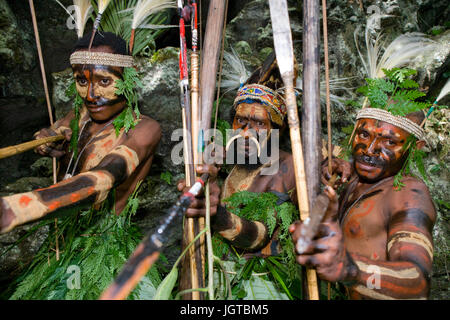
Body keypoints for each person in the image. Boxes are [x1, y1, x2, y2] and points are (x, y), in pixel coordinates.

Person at [0, 32, 163, 300]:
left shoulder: (144, 129)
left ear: (128, 81)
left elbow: (104, 178)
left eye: (104, 81)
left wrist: (15, 210)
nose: (91, 94)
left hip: (102, 251)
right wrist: (45, 140)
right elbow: (53, 133)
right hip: (59, 243)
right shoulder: (81, 115)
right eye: (81, 80)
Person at [290, 82, 437, 299]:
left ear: (414, 148)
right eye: (364, 135)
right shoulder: (352, 177)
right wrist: (322, 173)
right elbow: (295, 200)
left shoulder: (408, 195)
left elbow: (417, 282)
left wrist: (349, 269)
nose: (369, 150)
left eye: (389, 141)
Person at [178, 53, 301, 299]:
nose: (246, 133)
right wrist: (210, 178)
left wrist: (216, 214)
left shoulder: (285, 166)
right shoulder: (230, 160)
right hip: (220, 278)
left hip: (261, 283)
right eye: (241, 121)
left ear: (278, 129)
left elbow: (259, 235)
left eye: (259, 124)